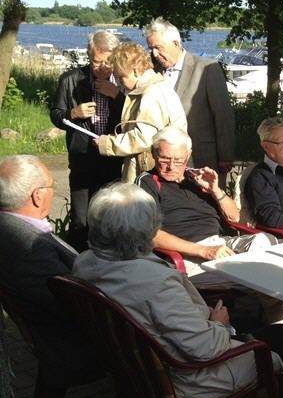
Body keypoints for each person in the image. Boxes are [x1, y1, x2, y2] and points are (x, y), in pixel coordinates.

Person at [72, 182, 283, 398]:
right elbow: (204, 349)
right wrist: (219, 324)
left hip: (134, 374)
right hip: (184, 384)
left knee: (249, 324)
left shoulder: (84, 264)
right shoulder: (155, 282)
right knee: (282, 336)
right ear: (148, 231)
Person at [136, 127, 276, 282]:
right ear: (154, 154)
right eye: (164, 159)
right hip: (186, 255)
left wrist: (215, 190)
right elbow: (151, 234)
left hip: (222, 245)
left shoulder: (197, 177)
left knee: (265, 242)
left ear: (188, 155)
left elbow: (235, 217)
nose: (171, 166)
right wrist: (205, 251)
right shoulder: (147, 183)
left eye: (179, 160)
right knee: (257, 277)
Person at [0, 155, 96, 379]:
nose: (54, 191)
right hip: (70, 344)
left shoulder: (11, 226)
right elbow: (73, 305)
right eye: (51, 186)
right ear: (37, 196)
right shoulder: (30, 247)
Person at [50, 30, 125, 250]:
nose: (102, 67)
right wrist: (73, 113)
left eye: (108, 62)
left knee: (112, 217)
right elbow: (56, 115)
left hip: (114, 159)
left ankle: (109, 261)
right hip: (82, 158)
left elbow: (136, 116)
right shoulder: (70, 80)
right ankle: (77, 263)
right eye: (96, 62)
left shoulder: (124, 80)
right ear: (89, 57)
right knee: (80, 220)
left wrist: (117, 96)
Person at [144, 17, 235, 176]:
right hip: (164, 161)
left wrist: (226, 155)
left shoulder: (207, 68)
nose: (155, 54)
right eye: (151, 48)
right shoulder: (153, 72)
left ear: (176, 43)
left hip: (202, 157)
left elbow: (223, 114)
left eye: (158, 47)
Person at [95, 42, 187, 182]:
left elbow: (144, 137)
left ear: (135, 70)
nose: (119, 82)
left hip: (150, 172)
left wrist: (107, 143)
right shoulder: (159, 87)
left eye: (121, 77)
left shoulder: (151, 93)